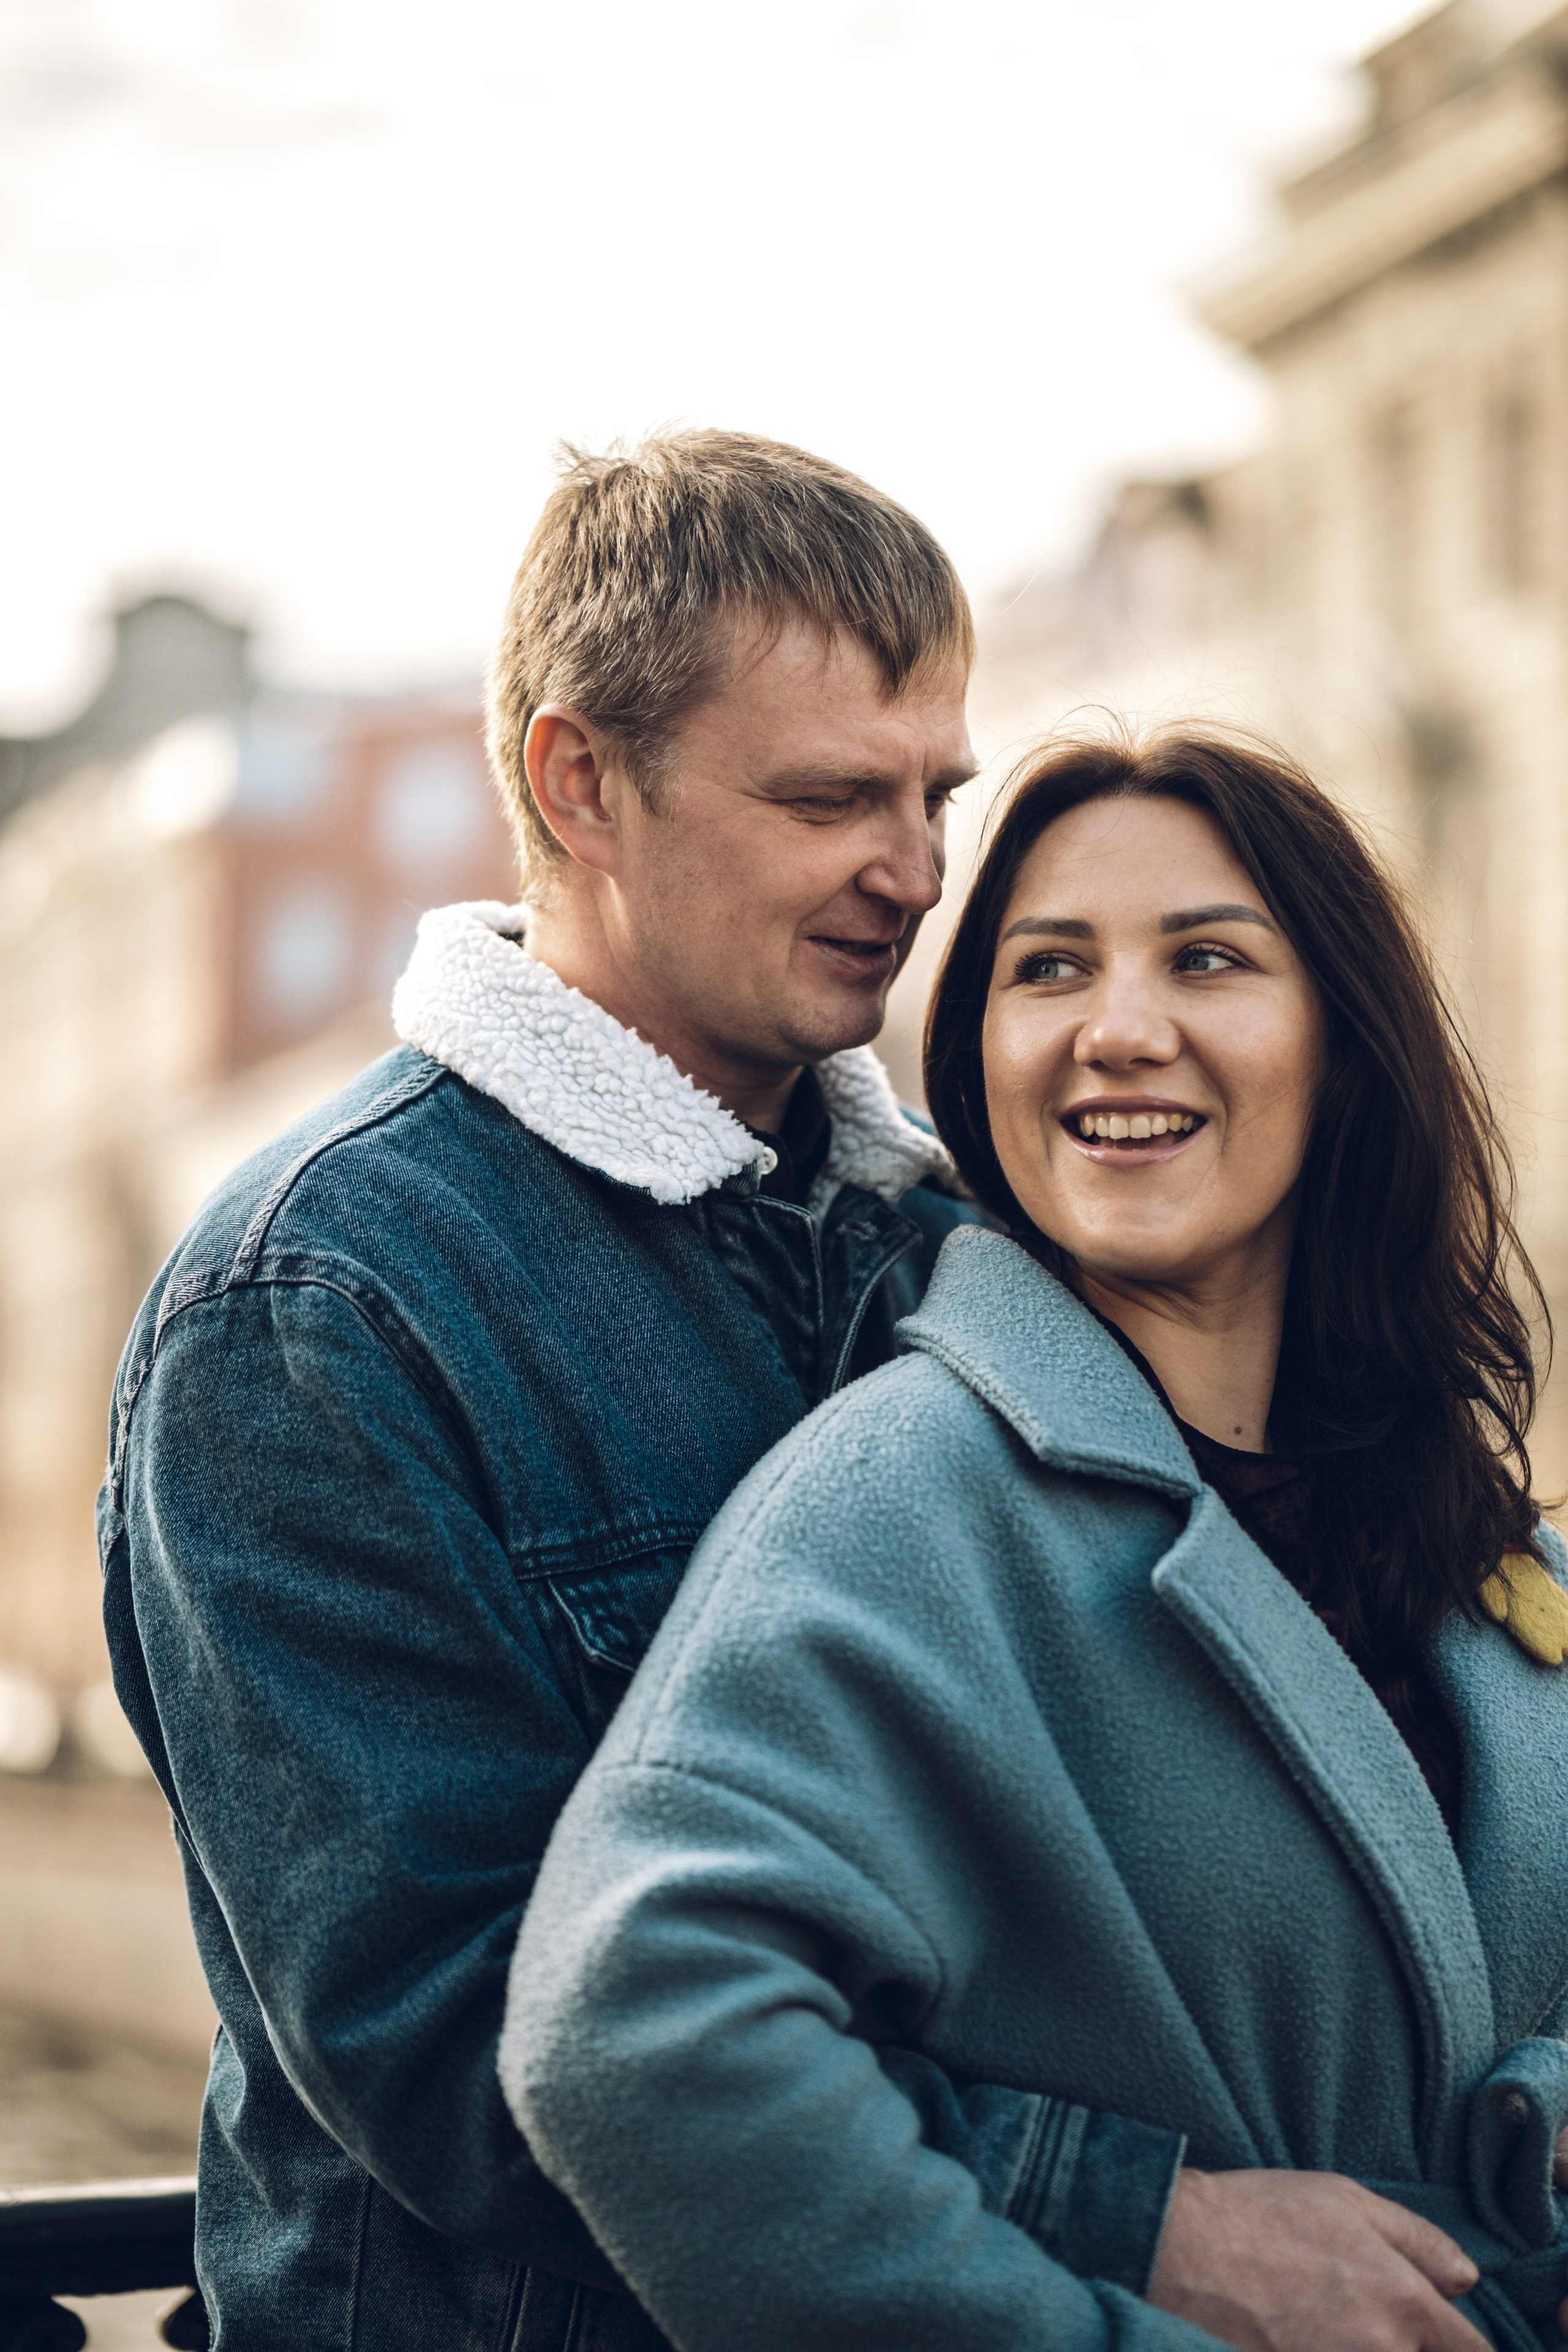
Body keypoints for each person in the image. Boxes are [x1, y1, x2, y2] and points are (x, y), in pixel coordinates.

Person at [100, 434, 1181, 2351]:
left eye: (937, 793)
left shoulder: (953, 1242)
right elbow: (478, 2050)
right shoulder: (316, 1308)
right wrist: (1145, 2221)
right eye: (832, 797)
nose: (920, 874)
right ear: (580, 781)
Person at [502, 727, 1568, 2352]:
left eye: (1207, 960)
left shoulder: (1465, 1524)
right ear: (980, 1059)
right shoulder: (899, 1499)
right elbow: (631, 2040)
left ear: (1344, 1043)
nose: (1120, 1033)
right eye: (1048, 970)